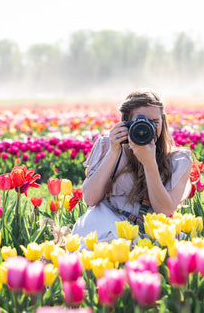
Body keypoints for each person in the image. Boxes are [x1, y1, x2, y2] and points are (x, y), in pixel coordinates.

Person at [71, 90, 193, 243]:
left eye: (154, 122)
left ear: (163, 122)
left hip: (150, 226)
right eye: (140, 122)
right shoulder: (107, 146)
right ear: (126, 123)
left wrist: (150, 164)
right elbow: (90, 198)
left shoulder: (178, 159)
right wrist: (114, 151)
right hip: (106, 220)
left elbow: (164, 211)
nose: (147, 128)